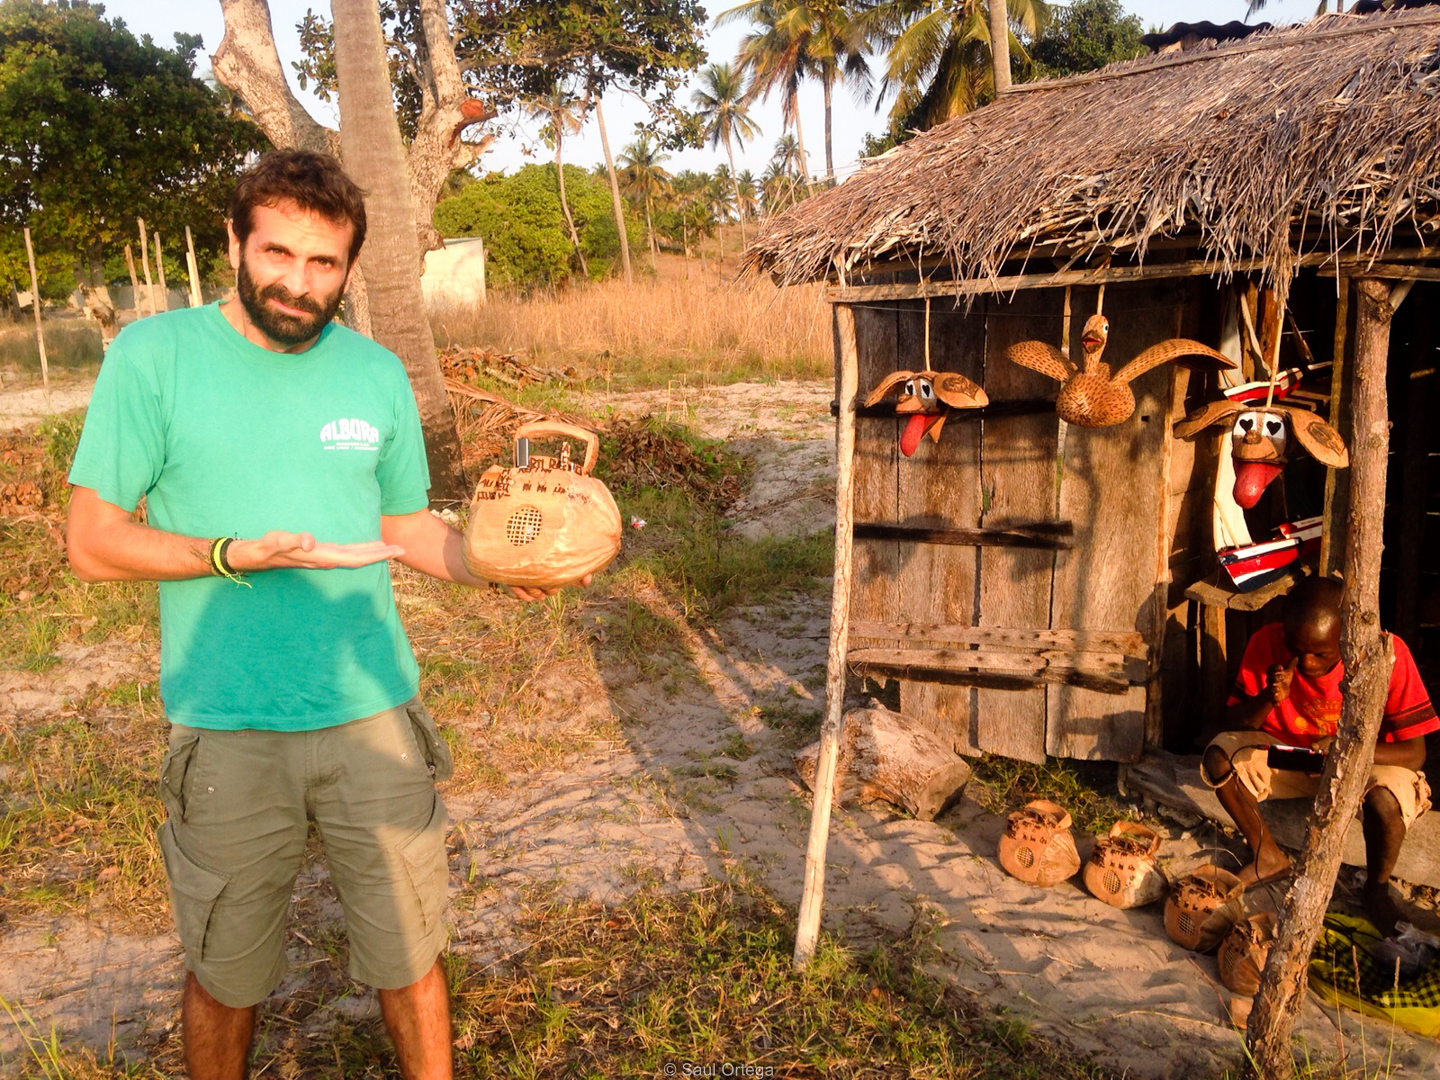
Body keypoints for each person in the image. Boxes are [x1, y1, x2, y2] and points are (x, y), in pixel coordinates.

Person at [65, 149, 575, 1080]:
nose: (298, 284)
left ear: (349, 268)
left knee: (412, 956)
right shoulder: (155, 357)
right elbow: (92, 540)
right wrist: (228, 554)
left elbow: (407, 527)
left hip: (374, 719)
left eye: (324, 264)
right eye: (279, 254)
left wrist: (495, 566)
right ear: (235, 242)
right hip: (227, 726)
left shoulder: (376, 374)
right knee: (226, 972)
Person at [1201, 576, 1436, 934]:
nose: (1306, 662)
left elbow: (1414, 753)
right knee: (1219, 756)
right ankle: (1267, 855)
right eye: (1296, 648)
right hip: (1292, 758)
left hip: (1365, 765)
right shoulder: (1266, 642)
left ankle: (1376, 889)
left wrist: (1348, 750)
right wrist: (1269, 698)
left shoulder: (1387, 654)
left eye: (1321, 653)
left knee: (1388, 802)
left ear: (1347, 634)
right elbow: (1232, 722)